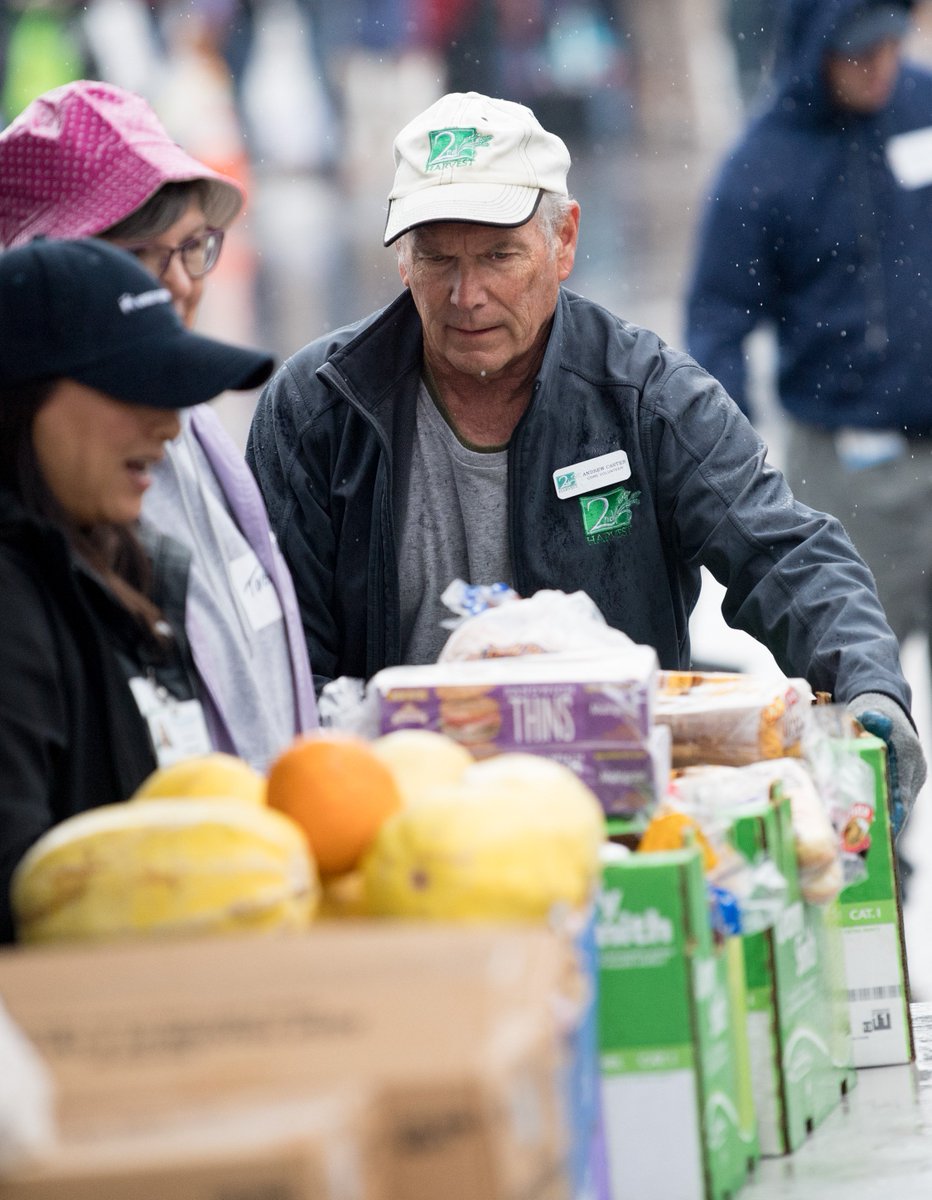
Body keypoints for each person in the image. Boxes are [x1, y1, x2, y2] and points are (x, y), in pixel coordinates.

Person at [246, 88, 926, 835]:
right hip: (387, 824)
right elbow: (274, 656)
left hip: (611, 819)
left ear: (564, 241)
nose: (466, 295)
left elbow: (783, 551)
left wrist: (870, 690)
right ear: (402, 258)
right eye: (438, 258)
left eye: (500, 255)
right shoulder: (317, 412)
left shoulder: (643, 397)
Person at [0, 80, 318, 772]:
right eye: (140, 255)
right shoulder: (57, 488)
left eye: (193, 246)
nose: (177, 283)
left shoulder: (195, 426)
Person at [0, 237, 275, 941]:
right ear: (24, 399)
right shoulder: (14, 603)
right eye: (132, 388)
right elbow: (27, 900)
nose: (169, 426)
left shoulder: (130, 571)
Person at [685, 0, 932, 695]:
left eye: (889, 45)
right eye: (859, 51)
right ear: (815, 47)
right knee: (855, 698)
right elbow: (717, 321)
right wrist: (721, 464)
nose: (880, 66)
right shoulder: (763, 164)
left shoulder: (924, 107)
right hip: (846, 474)